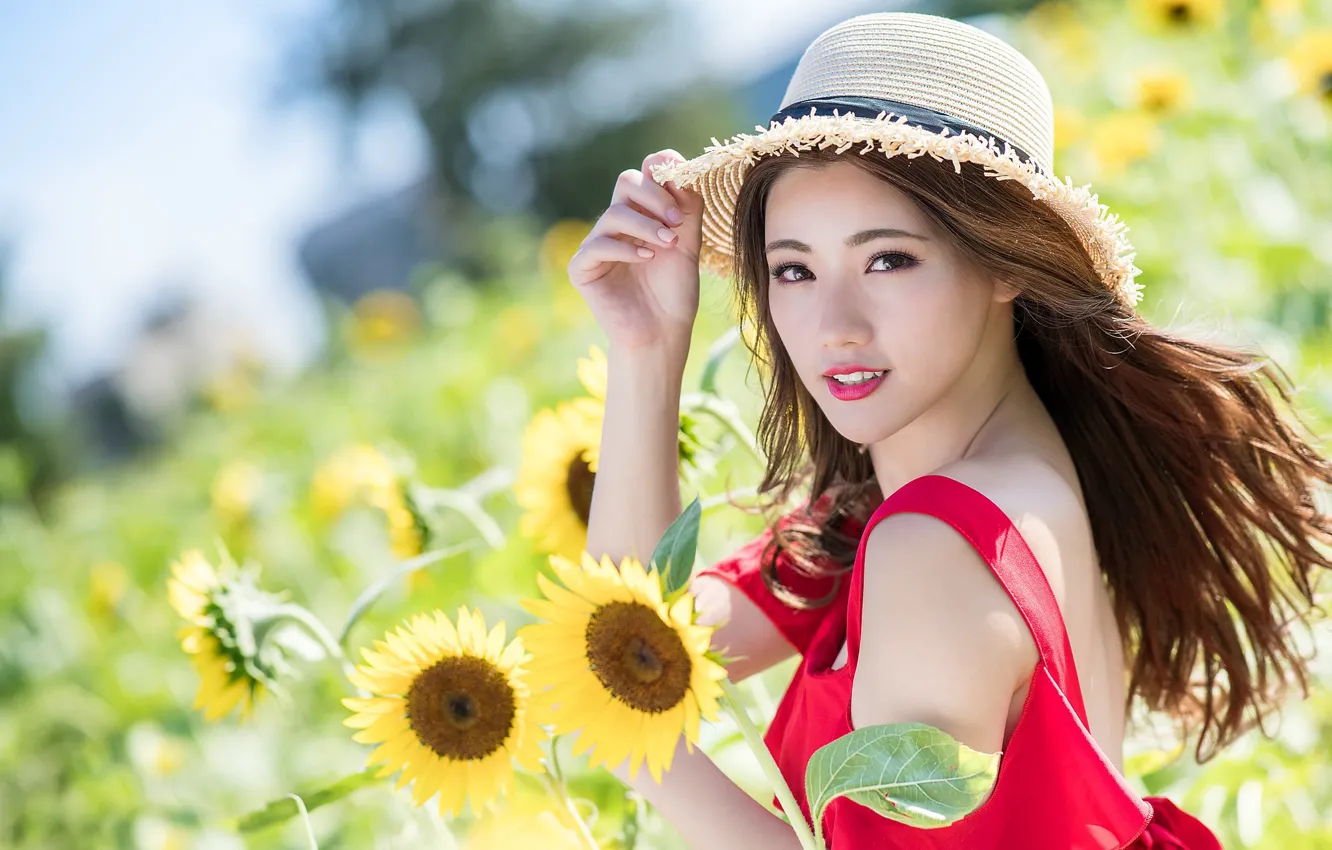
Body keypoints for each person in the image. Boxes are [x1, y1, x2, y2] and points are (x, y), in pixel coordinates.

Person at [566, 11, 1331, 849]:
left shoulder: (934, 543)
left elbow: (623, 672)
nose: (835, 324)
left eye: (888, 259)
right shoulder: (983, 490)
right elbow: (640, 636)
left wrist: (641, 749)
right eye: (794, 268)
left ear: (1007, 259)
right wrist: (646, 346)